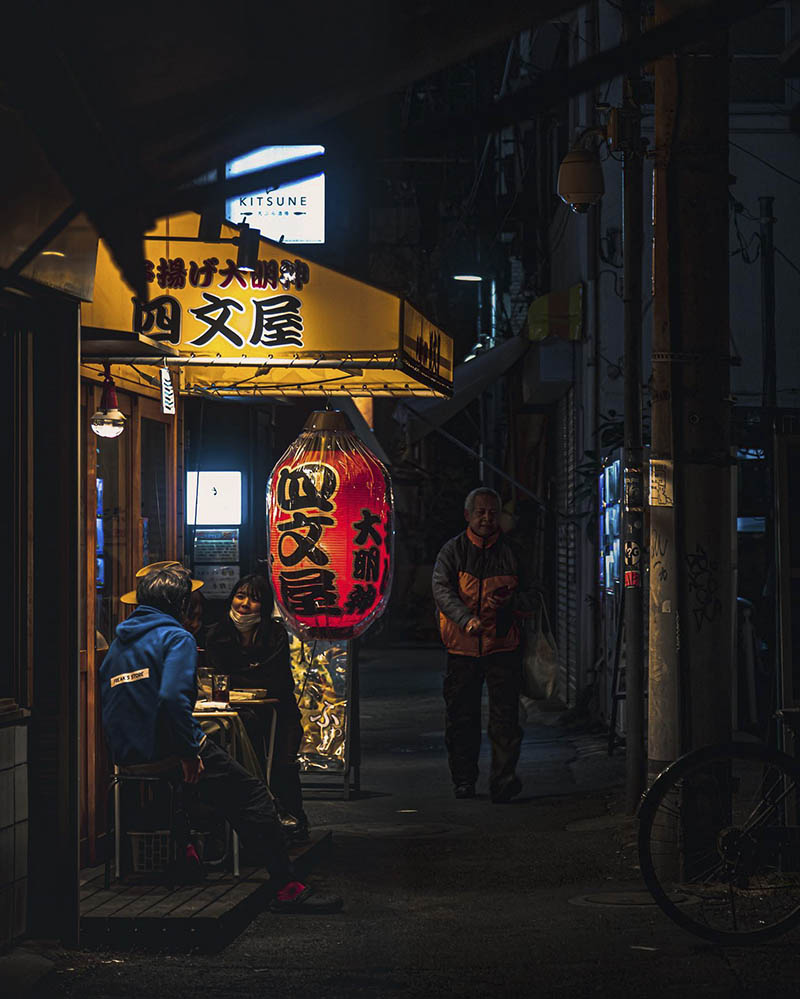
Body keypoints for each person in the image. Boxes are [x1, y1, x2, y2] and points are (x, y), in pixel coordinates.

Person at [99, 563, 341, 913]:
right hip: (166, 748)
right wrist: (187, 751)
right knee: (253, 793)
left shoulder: (120, 642)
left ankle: (190, 856)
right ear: (180, 604)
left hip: (125, 755)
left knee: (201, 787)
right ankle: (286, 886)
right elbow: (171, 698)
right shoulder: (176, 637)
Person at [432, 487, 538, 803]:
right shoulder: (453, 551)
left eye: (493, 512)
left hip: (503, 647)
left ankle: (503, 781)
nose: (487, 518)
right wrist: (466, 618)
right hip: (461, 648)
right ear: (468, 516)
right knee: (461, 718)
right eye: (481, 512)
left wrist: (510, 603)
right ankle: (463, 780)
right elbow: (441, 589)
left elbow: (534, 595)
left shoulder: (514, 552)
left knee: (505, 720)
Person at [205, 575, 309, 842]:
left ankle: (294, 820)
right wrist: (252, 674)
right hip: (239, 715)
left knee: (282, 765)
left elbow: (276, 680)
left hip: (280, 713)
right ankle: (254, 828)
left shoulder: (275, 634)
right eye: (240, 596)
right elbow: (220, 677)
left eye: (254, 598)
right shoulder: (217, 633)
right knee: (247, 766)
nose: (244, 604)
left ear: (264, 605)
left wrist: (242, 676)